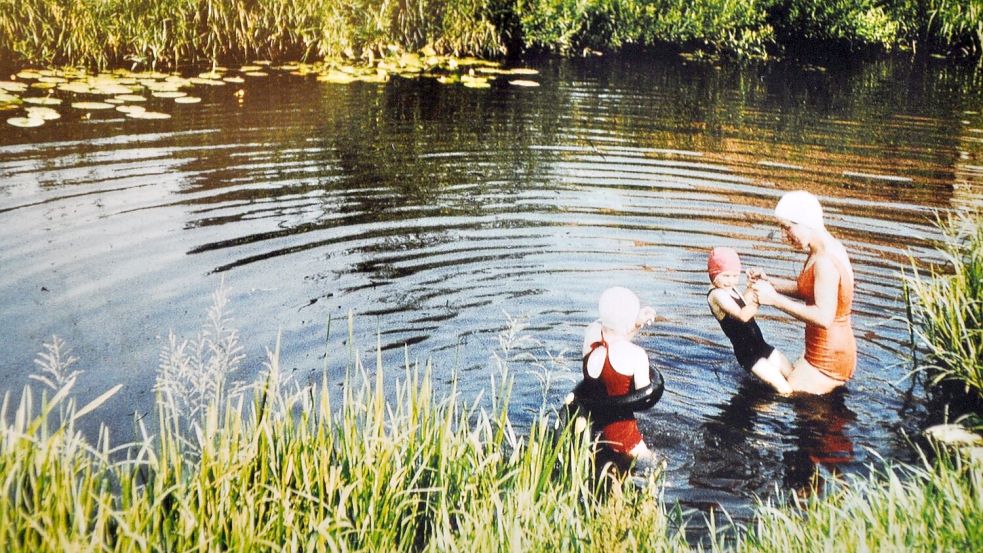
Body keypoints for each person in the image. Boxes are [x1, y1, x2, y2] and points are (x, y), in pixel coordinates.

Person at [750, 190, 857, 395]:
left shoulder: (825, 261)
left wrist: (774, 299)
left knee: (789, 397)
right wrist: (769, 282)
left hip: (829, 357)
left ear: (806, 222)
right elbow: (808, 290)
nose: (784, 236)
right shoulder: (822, 248)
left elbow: (824, 317)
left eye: (787, 228)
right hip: (825, 350)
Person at [581, 286, 659, 462]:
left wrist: (636, 323)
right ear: (627, 321)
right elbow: (644, 397)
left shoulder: (590, 335)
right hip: (623, 439)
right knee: (657, 466)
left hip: (593, 431)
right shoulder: (637, 355)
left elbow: (615, 339)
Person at [706, 247, 794, 395]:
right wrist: (762, 299)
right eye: (725, 276)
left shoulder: (730, 288)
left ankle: (760, 402)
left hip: (761, 346)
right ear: (713, 274)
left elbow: (744, 304)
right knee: (785, 390)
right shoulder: (717, 295)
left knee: (793, 377)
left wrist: (751, 287)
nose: (730, 281)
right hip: (748, 354)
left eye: (734, 276)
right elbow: (743, 315)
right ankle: (762, 412)